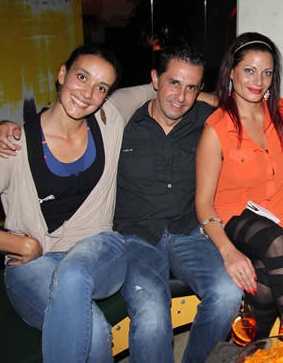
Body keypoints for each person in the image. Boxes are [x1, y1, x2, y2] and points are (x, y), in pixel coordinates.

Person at [0, 45, 127, 362]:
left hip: (99, 249)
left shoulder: (110, 120)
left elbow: (163, 88)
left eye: (101, 88)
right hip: (32, 265)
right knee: (93, 331)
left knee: (73, 273)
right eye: (82, 77)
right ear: (62, 74)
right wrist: (19, 244)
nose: (88, 94)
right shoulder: (13, 145)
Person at [111, 44, 242, 363]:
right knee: (151, 311)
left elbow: (256, 107)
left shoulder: (208, 120)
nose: (181, 97)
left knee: (228, 292)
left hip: (189, 230)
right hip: (136, 235)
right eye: (174, 83)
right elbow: (67, 119)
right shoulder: (121, 122)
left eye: (191, 87)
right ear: (155, 79)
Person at [195, 32, 283, 339]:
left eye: (267, 72)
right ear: (231, 72)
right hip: (235, 219)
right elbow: (203, 203)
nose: (258, 81)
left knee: (265, 289)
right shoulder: (216, 129)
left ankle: (246, 348)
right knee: (275, 242)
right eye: (249, 70)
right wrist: (228, 251)